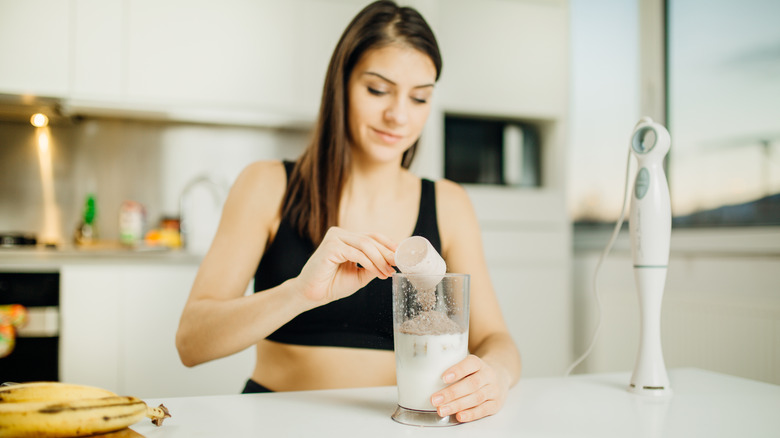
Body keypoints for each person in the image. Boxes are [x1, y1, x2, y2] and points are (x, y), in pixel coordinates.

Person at [175, 0, 521, 423]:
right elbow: (191, 342)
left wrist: (496, 376)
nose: (398, 115)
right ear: (341, 84)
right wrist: (300, 292)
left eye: (419, 98)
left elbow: (495, 338)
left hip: (397, 425)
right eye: (378, 90)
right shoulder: (267, 185)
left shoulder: (449, 203)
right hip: (274, 424)